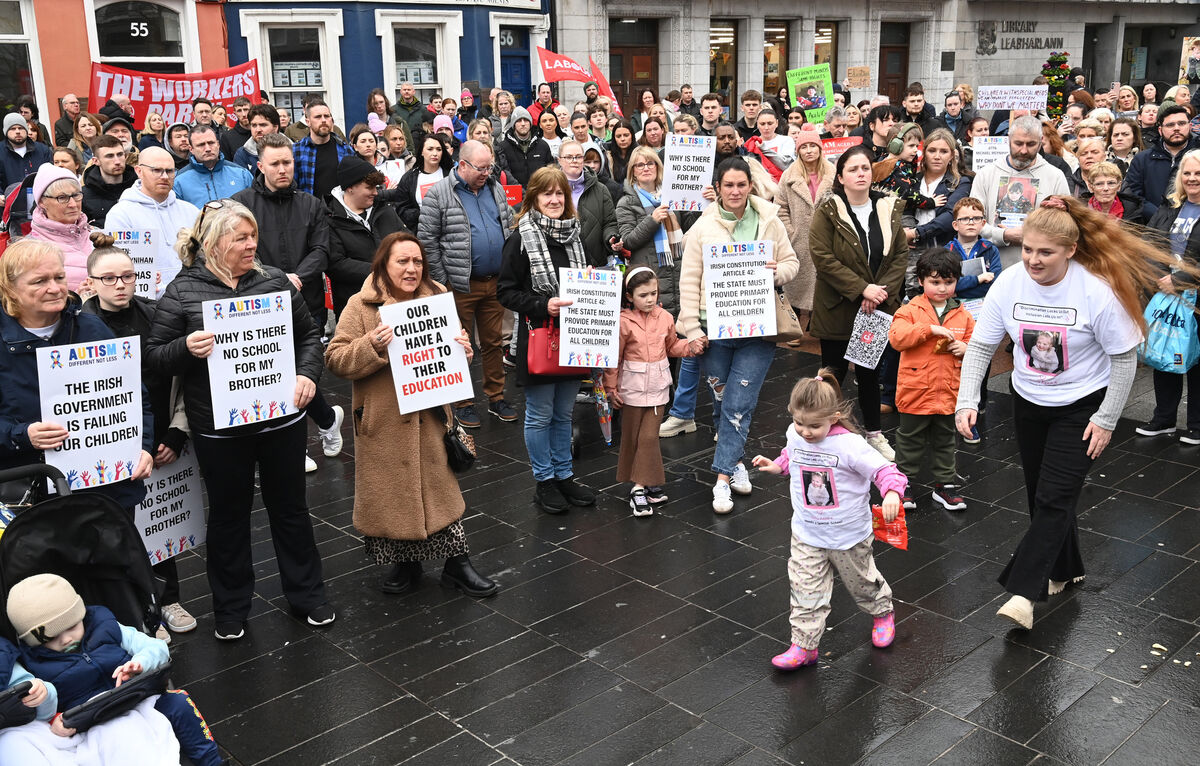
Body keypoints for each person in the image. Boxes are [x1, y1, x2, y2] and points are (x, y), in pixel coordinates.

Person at [955, 196, 1180, 630]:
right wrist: (968, 399)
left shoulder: (1096, 290)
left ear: (1070, 251)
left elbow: (1123, 359)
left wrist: (1107, 418)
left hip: (1082, 405)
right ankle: (1065, 567)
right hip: (1029, 399)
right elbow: (982, 345)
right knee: (1040, 492)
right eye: (1028, 250)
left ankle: (1024, 591)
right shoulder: (1010, 282)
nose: (1033, 261)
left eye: (1046, 252)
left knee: (1054, 497)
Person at [146, 198, 335, 640]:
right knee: (229, 517)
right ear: (213, 243)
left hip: (280, 423)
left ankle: (308, 594)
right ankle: (231, 608)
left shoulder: (273, 282)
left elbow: (308, 335)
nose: (252, 245)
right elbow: (154, 357)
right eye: (241, 238)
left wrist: (307, 374)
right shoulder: (182, 290)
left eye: (253, 236)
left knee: (291, 510)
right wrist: (185, 348)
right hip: (218, 429)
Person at [325, 230, 498, 597]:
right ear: (384, 266)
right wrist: (372, 345)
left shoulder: (436, 298)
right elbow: (336, 359)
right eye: (402, 261)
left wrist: (464, 350)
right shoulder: (361, 305)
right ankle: (405, 563)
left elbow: (455, 346)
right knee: (394, 498)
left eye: (417, 261)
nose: (411, 268)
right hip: (383, 423)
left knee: (441, 492)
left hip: (432, 420)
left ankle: (457, 563)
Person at [750, 370, 904, 670]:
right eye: (799, 423)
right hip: (807, 532)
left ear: (834, 417)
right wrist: (777, 466)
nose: (806, 432)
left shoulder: (850, 446)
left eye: (814, 426)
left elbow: (885, 471)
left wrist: (892, 494)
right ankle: (804, 646)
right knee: (804, 589)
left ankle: (882, 613)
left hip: (847, 535)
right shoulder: (795, 434)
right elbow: (791, 455)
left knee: (861, 583)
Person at [81, 246, 196, 640]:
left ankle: (169, 600)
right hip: (107, 448)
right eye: (109, 278)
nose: (120, 285)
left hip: (162, 440)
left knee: (164, 524)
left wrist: (176, 432)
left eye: (127, 276)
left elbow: (183, 378)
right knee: (119, 534)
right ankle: (135, 610)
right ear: (91, 283)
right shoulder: (79, 323)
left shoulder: (156, 314)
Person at [677, 157, 799, 513]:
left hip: (757, 332)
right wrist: (692, 329)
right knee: (721, 403)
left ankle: (721, 479)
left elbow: (792, 263)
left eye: (741, 185)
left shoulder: (769, 220)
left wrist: (778, 272)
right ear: (718, 188)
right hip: (713, 332)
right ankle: (737, 462)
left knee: (738, 404)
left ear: (750, 185)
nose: (735, 191)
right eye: (728, 185)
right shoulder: (702, 227)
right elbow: (689, 281)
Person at [7, 574, 222, 765]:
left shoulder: (105, 626)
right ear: (34, 642)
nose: (66, 639)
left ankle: (211, 761)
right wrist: (43, 695)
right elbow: (44, 713)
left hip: (135, 697)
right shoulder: (34, 660)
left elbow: (155, 647)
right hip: (89, 723)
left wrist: (140, 663)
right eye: (52, 638)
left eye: (72, 626)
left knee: (179, 702)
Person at [232, 134, 342, 471]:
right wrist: (275, 279)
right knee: (277, 370)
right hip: (258, 301)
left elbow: (322, 250)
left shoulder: (311, 204)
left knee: (300, 369)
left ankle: (322, 422)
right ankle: (312, 431)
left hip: (304, 299)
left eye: (288, 162)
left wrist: (296, 278)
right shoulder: (241, 203)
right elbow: (239, 250)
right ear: (260, 165)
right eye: (275, 163)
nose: (283, 169)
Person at [496, 166, 598, 513]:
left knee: (563, 414)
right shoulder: (521, 238)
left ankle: (564, 475)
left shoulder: (575, 235)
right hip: (539, 337)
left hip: (575, 337)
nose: (554, 200)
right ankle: (544, 481)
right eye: (547, 194)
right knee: (540, 415)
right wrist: (543, 305)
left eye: (560, 194)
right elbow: (506, 292)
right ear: (534, 199)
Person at [809, 145, 908, 459]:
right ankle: (825, 432)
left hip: (875, 309)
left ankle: (874, 434)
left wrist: (880, 293)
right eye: (853, 169)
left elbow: (899, 257)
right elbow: (822, 258)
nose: (861, 174)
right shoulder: (828, 210)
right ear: (841, 177)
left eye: (865, 167)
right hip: (838, 306)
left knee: (869, 373)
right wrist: (861, 288)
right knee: (833, 373)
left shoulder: (887, 209)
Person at [419, 139, 517, 427]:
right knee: (458, 344)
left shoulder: (495, 188)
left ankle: (496, 396)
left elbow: (508, 227)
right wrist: (442, 281)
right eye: (481, 168)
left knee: (493, 342)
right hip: (458, 285)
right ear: (462, 165)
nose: (487, 172)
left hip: (494, 282)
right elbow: (427, 241)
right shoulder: (438, 194)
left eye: (490, 167)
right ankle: (463, 402)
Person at [604, 267, 705, 515]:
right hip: (631, 390)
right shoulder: (623, 323)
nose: (650, 299)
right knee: (632, 438)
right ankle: (646, 484)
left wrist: (691, 346)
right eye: (643, 295)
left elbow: (671, 346)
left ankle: (638, 488)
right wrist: (611, 387)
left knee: (648, 438)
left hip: (659, 389)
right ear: (629, 296)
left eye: (653, 293)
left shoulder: (665, 318)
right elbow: (613, 358)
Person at [888, 248, 974, 510]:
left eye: (948, 282)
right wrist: (929, 329)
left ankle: (945, 484)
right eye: (935, 282)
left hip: (949, 391)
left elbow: (975, 343)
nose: (942, 288)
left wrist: (966, 348)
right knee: (909, 439)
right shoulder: (910, 310)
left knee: (946, 438)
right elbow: (897, 338)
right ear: (922, 281)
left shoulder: (964, 314)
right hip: (915, 391)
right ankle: (902, 483)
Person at [1139, 150, 1200, 442]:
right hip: (1165, 292)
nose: (1192, 179)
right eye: (1187, 173)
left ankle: (1197, 425)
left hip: (1195, 298)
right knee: (1165, 353)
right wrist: (1159, 278)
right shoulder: (1171, 206)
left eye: (1198, 173)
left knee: (1197, 359)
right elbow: (1150, 243)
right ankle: (1163, 419)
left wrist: (1180, 280)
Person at [971, 116, 1071, 268]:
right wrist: (1004, 235)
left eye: (1031, 144)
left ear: (1040, 142)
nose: (1024, 150)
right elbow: (972, 221)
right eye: (1018, 143)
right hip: (994, 265)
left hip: (1040, 268)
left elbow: (1066, 226)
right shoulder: (986, 174)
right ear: (1009, 139)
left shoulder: (1055, 176)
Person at [104, 147, 200, 293]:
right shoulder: (121, 214)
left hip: (192, 295)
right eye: (156, 170)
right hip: (148, 303)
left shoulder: (191, 211)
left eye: (170, 171)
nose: (164, 176)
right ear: (139, 171)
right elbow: (123, 268)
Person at [326, 155, 407, 315]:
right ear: (350, 187)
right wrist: (381, 270)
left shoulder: (385, 211)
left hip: (395, 300)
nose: (376, 193)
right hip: (356, 306)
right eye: (369, 187)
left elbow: (407, 240)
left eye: (376, 187)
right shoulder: (329, 218)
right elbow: (336, 264)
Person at [615, 147, 687, 315]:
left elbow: (690, 228)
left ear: (658, 166)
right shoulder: (626, 202)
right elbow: (629, 241)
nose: (645, 168)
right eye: (639, 165)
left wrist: (707, 202)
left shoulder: (673, 195)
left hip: (678, 270)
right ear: (633, 171)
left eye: (650, 163)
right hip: (649, 277)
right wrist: (652, 220)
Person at [777, 123, 834, 328]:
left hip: (827, 237)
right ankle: (799, 321)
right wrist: (790, 231)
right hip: (799, 238)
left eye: (813, 146)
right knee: (799, 281)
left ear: (820, 148)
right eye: (804, 147)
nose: (809, 151)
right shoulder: (789, 176)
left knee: (825, 279)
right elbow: (780, 207)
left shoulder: (833, 173)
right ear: (798, 150)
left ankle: (820, 323)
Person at [26, 164, 102, 293]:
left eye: (76, 195)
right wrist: (74, 300)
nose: (73, 204)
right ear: (42, 202)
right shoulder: (29, 249)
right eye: (62, 198)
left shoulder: (98, 235)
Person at [1123, 105, 1199, 220]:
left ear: (1190, 126)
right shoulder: (1142, 159)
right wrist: (1159, 216)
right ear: (1160, 130)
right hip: (1151, 227)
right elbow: (1132, 195)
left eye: (1182, 123)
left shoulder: (1198, 157)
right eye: (1170, 125)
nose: (1176, 128)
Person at [557, 141, 621, 266]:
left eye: (579, 157)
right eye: (569, 157)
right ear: (559, 160)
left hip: (594, 262)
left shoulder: (600, 189)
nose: (574, 160)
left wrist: (611, 238)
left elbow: (610, 223)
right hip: (561, 261)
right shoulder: (549, 189)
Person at [173, 124, 253, 207]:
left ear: (218, 144)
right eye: (201, 145)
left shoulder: (242, 174)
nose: (207, 149)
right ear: (191, 149)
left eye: (211, 143)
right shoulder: (178, 181)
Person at [293, 98, 355, 200]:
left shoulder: (346, 150)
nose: (323, 120)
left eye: (327, 116)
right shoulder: (296, 151)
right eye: (318, 117)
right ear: (308, 122)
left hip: (339, 212)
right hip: (309, 212)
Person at [395, 133, 451, 231]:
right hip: (421, 231)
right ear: (422, 152)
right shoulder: (409, 178)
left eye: (439, 149)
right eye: (430, 149)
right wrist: (421, 214)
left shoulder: (451, 175)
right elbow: (401, 208)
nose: (435, 153)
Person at [80, 134, 136, 227]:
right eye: (109, 156)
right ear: (96, 161)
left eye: (120, 154)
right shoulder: (83, 196)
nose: (117, 161)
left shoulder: (139, 188)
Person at [499, 106, 553, 188]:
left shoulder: (542, 145)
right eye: (519, 121)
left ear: (530, 123)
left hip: (539, 192)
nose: (523, 124)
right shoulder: (503, 147)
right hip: (516, 195)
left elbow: (551, 170)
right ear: (514, 124)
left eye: (526, 120)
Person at [0, 112, 52, 188]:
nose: (17, 131)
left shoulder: (42, 150)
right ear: (6, 132)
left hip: (40, 197)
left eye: (21, 128)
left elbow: (50, 175)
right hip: (10, 198)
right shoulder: (1, 151)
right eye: (13, 129)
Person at [231, 103, 282, 174]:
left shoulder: (292, 150)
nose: (258, 130)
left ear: (275, 128)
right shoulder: (242, 154)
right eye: (254, 125)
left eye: (263, 125)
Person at [218, 96, 252, 165]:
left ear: (251, 110)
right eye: (239, 110)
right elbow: (226, 164)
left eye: (246, 109)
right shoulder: (227, 137)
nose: (244, 114)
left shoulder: (260, 132)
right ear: (235, 113)